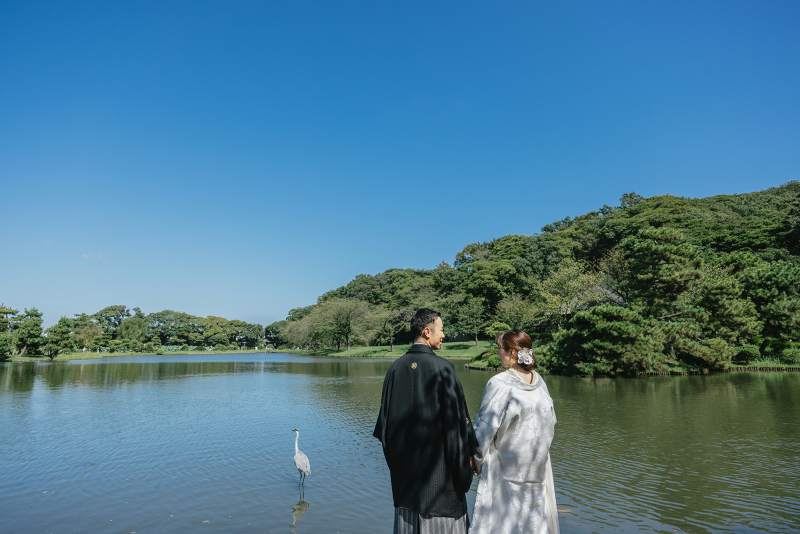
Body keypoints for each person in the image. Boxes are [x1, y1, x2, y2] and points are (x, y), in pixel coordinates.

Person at [373, 308, 478, 534]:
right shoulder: (443, 368)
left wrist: (400, 472)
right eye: (441, 330)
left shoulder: (395, 369)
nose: (444, 335)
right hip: (441, 491)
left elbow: (385, 432)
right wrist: (465, 470)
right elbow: (457, 430)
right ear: (427, 332)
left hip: (406, 489)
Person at [470, 330, 559, 534]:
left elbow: (485, 427)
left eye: (500, 348)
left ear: (512, 352)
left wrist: (476, 458)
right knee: (533, 522)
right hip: (536, 467)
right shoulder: (540, 382)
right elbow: (551, 422)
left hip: (504, 466)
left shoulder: (499, 383)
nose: (498, 353)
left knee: (504, 523)